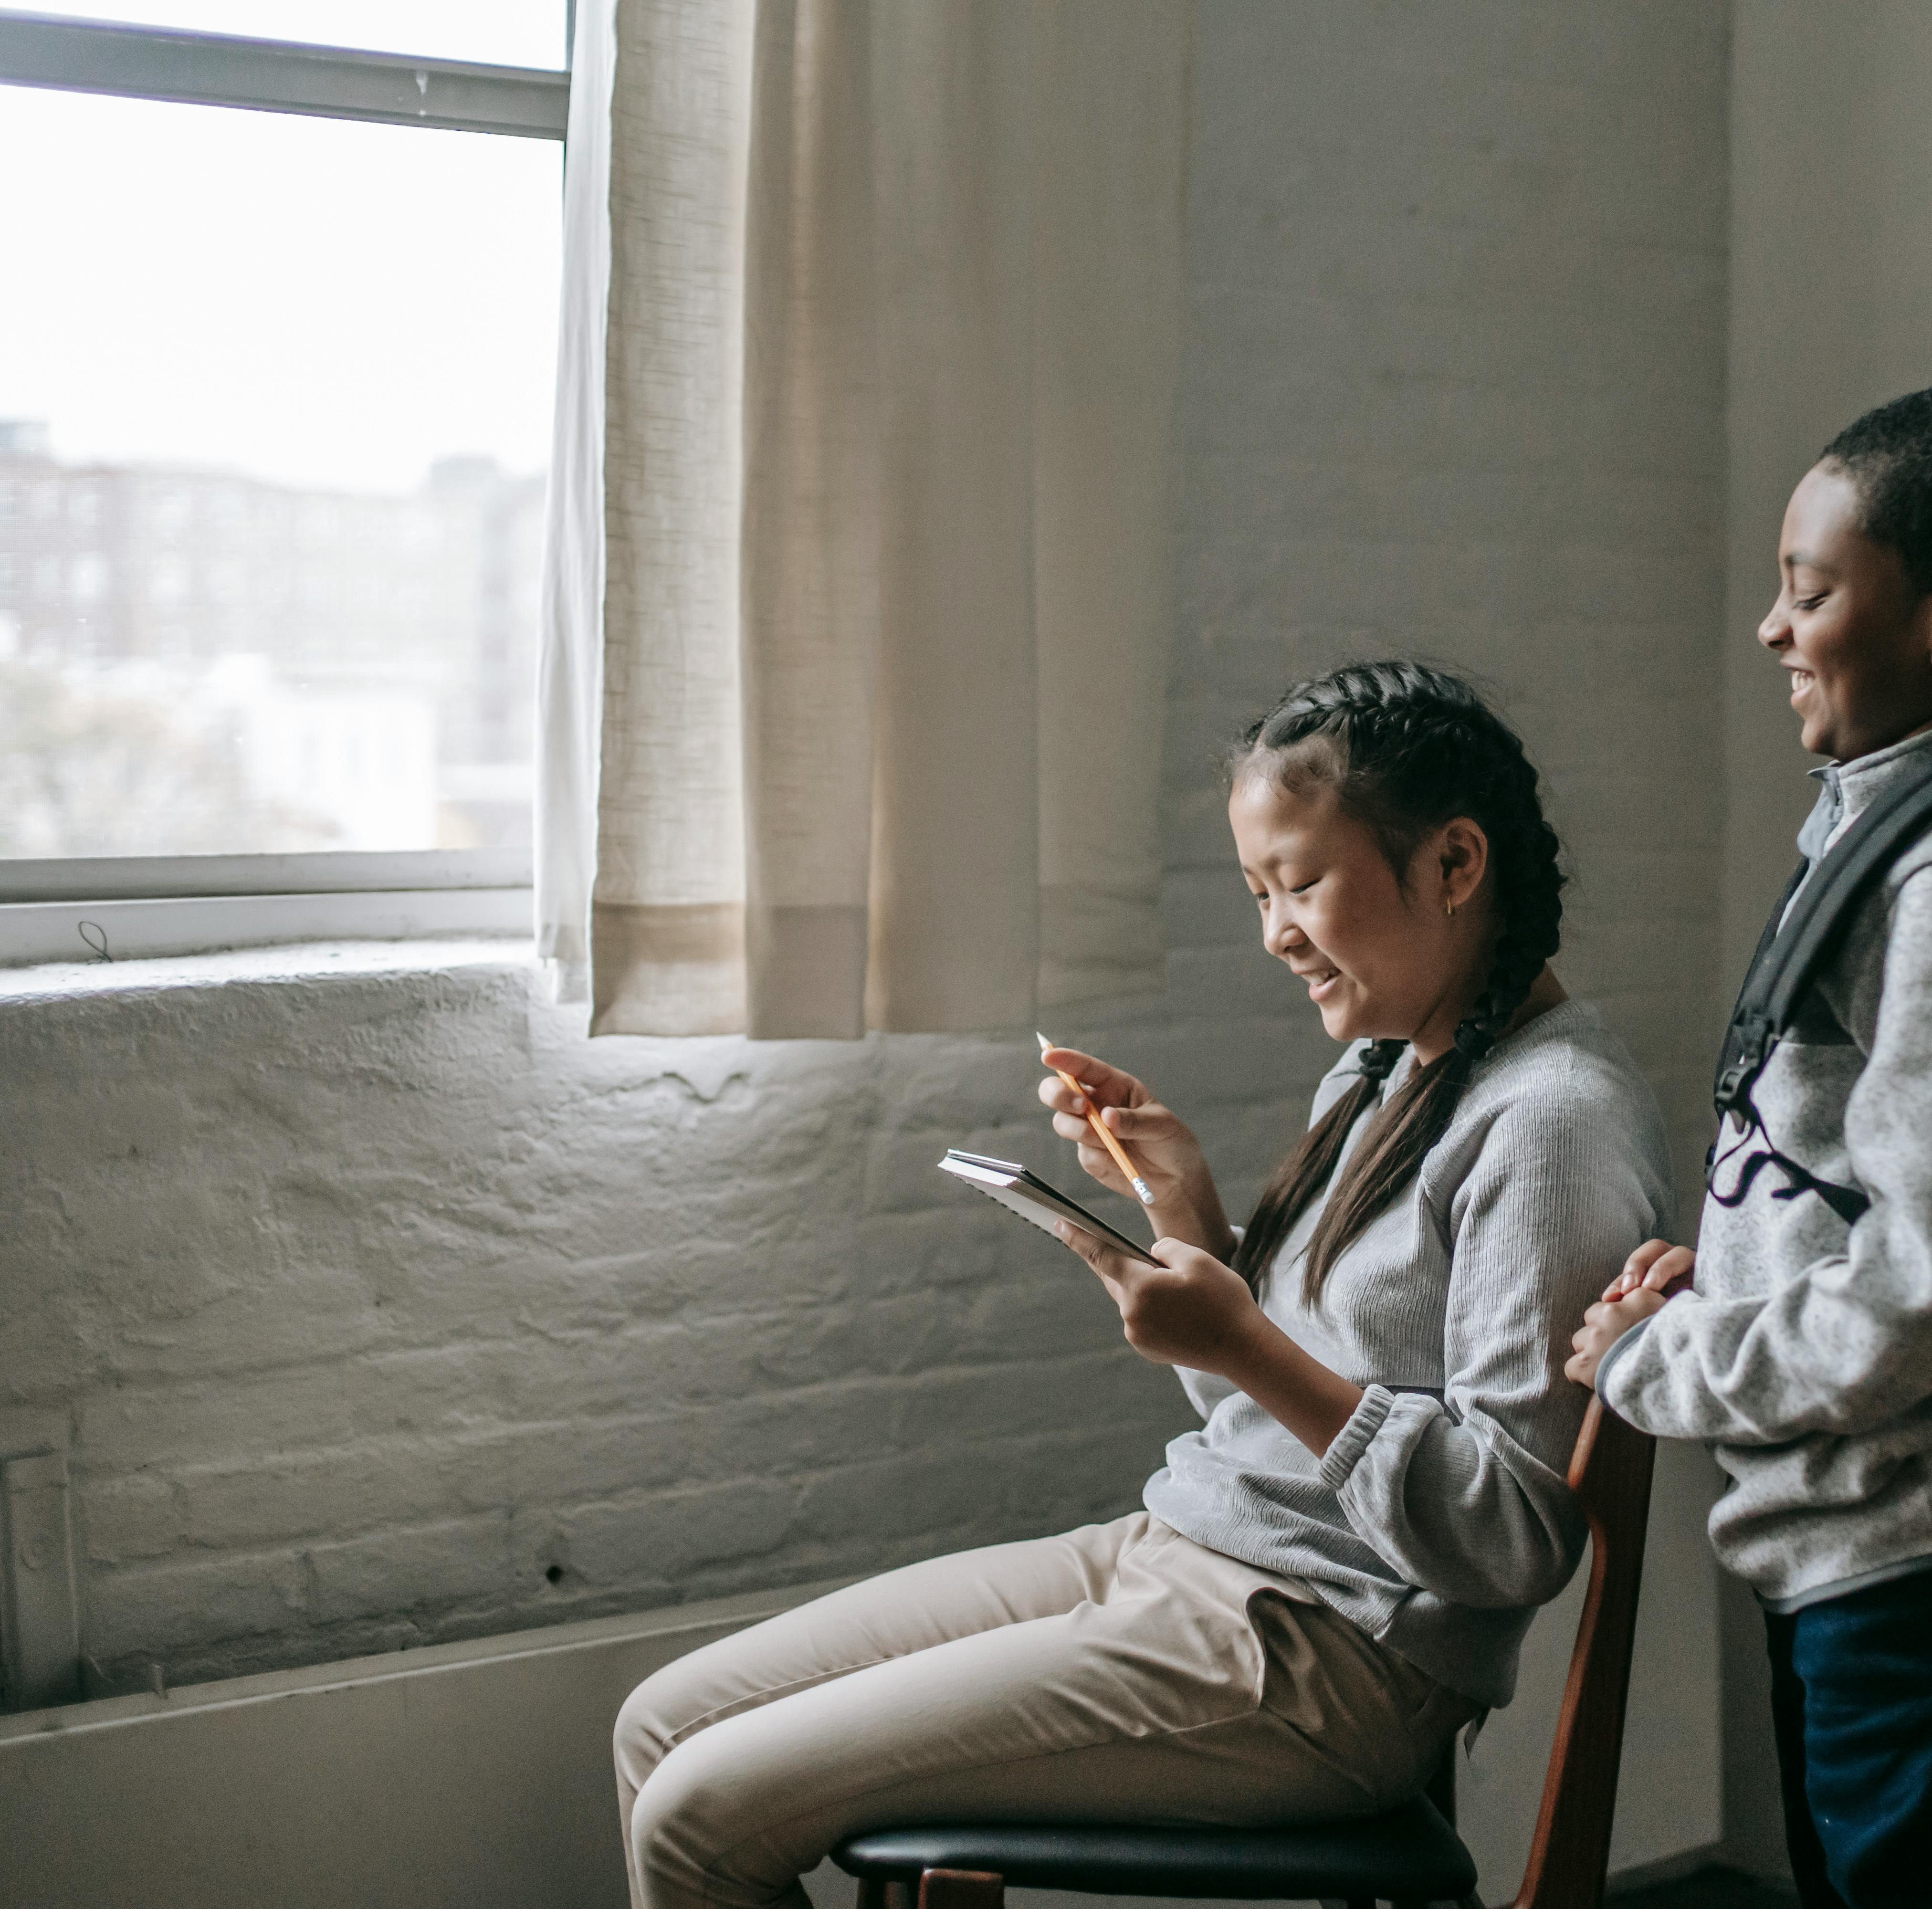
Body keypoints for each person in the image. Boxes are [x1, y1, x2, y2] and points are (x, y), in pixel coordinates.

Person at [615, 660, 1675, 1909]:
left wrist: (1244, 1347)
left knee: (698, 1814)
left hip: (1330, 1657)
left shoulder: (1549, 1124)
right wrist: (1185, 1211)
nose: (1275, 933)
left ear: (1453, 864)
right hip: (1190, 1553)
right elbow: (1266, 1417)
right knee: (656, 1728)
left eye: (1304, 884)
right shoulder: (1387, 1074)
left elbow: (1510, 1539)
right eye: (1257, 891)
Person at [1567, 386, 1932, 1909]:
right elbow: (1868, 1176)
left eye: (1810, 591)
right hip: (1865, 1529)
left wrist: (1671, 1366)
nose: (1772, 628)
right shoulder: (1884, 828)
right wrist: (1732, 1273)